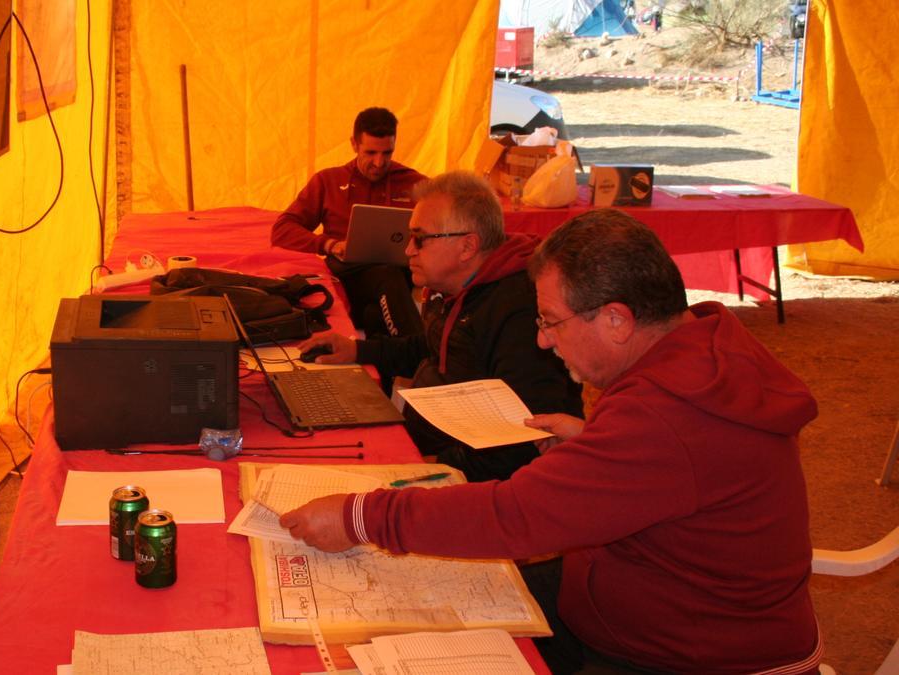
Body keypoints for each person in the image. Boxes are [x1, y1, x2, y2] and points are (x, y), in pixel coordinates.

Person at [280, 209, 823, 674]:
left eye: (551, 321)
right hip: (648, 609)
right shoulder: (698, 347)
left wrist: (361, 518)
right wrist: (598, 447)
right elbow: (687, 468)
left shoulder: (663, 416)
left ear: (616, 319)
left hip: (688, 658)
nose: (541, 339)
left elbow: (515, 516)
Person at [297, 171, 580, 481]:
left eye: (420, 239)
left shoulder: (520, 311)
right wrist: (357, 349)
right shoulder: (458, 287)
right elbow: (433, 345)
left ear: (467, 246)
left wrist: (434, 464)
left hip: (480, 480)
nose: (408, 251)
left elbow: (526, 435)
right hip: (442, 446)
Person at [271, 107, 426, 339]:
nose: (379, 162)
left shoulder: (416, 184)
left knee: (376, 312)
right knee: (387, 276)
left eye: (387, 153)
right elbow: (282, 229)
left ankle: (392, 367)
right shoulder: (328, 181)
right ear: (354, 144)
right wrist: (330, 245)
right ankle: (421, 353)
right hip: (349, 277)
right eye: (370, 152)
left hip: (396, 280)